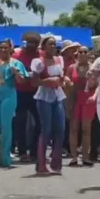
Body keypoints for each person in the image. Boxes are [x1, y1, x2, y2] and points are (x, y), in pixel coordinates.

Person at [0, 39, 26, 168]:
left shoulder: (16, 63)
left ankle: (6, 157)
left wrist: (16, 73)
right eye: (1, 48)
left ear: (10, 49)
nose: (3, 50)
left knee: (6, 126)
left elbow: (22, 81)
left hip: (9, 95)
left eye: (5, 48)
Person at [31, 36, 68, 174]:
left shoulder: (60, 60)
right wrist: (48, 81)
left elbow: (61, 78)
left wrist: (63, 80)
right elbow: (34, 82)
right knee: (46, 129)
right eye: (50, 44)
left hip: (57, 95)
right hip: (44, 97)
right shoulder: (38, 62)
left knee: (60, 129)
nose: (53, 47)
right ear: (44, 46)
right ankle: (41, 164)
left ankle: (56, 162)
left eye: (54, 44)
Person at [13, 32, 42, 162]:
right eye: (29, 42)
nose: (32, 45)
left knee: (40, 122)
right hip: (20, 92)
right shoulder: (17, 55)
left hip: (37, 92)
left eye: (35, 43)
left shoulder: (40, 55)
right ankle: (22, 151)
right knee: (20, 122)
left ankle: (35, 151)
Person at [67, 45, 96, 166]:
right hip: (75, 99)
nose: (83, 54)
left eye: (85, 52)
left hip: (88, 99)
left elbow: (97, 84)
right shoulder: (71, 67)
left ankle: (85, 156)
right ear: (77, 54)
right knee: (73, 129)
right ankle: (74, 156)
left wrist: (91, 79)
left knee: (86, 129)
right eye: (80, 52)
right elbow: (67, 82)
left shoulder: (93, 67)